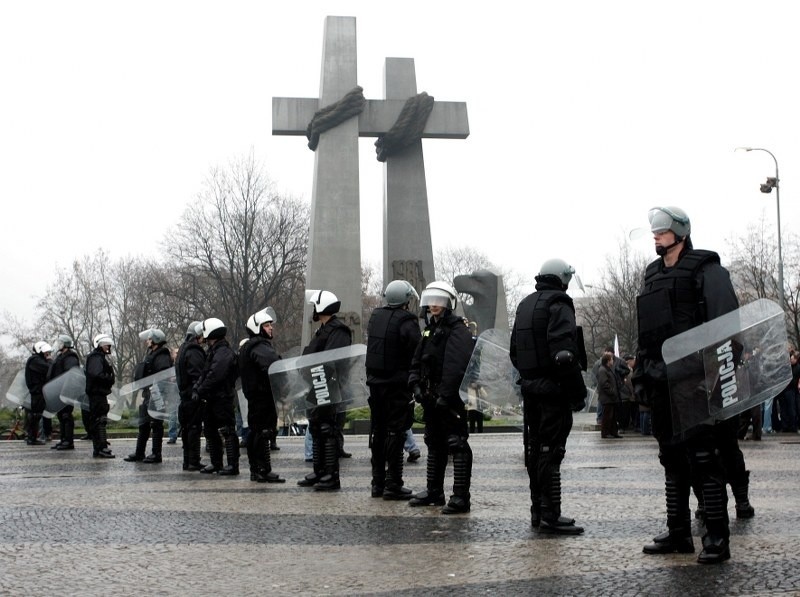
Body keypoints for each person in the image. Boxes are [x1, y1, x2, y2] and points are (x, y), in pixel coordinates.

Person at [632, 206, 737, 564]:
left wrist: (718, 376)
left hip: (697, 382)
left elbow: (728, 327)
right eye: (654, 230)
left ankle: (716, 538)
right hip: (663, 382)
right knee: (671, 459)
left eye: (662, 229)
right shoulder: (651, 275)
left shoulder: (707, 271)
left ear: (681, 232)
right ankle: (678, 532)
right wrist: (641, 372)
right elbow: (648, 330)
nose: (656, 235)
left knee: (706, 460)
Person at [510, 259, 587, 535]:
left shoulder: (525, 305)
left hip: (531, 390)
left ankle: (537, 510)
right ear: (562, 279)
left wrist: (531, 379)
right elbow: (564, 354)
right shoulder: (560, 303)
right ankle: (551, 515)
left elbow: (515, 353)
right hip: (553, 391)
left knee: (535, 451)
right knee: (551, 452)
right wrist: (578, 394)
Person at [408, 281, 475, 514]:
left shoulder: (457, 329)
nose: (434, 305)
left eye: (439, 301)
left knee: (457, 444)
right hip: (430, 397)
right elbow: (417, 360)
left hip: (449, 398)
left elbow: (455, 366)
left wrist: (446, 395)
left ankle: (460, 497)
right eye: (431, 301)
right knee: (433, 443)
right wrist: (415, 384)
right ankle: (434, 492)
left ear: (448, 303)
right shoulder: (429, 329)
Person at [365, 280, 421, 500]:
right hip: (397, 385)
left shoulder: (376, 317)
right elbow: (415, 351)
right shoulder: (407, 321)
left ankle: (377, 483)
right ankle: (393, 484)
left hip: (376, 385)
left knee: (378, 433)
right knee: (396, 433)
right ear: (406, 300)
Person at [298, 290, 352, 491]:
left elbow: (332, 360)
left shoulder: (339, 330)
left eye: (315, 306)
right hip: (316, 384)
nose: (313, 309)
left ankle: (331, 475)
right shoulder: (323, 329)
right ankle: (319, 471)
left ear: (322, 307)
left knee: (327, 430)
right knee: (315, 427)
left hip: (329, 386)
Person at [239, 307, 286, 484]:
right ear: (257, 327)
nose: (270, 328)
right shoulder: (260, 347)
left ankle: (258, 470)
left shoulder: (248, 347)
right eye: (266, 325)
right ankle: (262, 470)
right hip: (263, 396)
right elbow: (274, 367)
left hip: (255, 396)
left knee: (256, 432)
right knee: (262, 433)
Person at [194, 318, 240, 475]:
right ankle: (216, 463)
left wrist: (200, 390)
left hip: (222, 397)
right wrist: (197, 388)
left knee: (227, 430)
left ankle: (233, 465)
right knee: (210, 430)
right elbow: (206, 373)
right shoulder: (214, 351)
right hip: (212, 398)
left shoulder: (223, 352)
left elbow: (215, 375)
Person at [124, 329, 173, 464]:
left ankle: (156, 454)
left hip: (156, 394)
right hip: (148, 393)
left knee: (156, 424)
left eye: (149, 339)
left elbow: (163, 376)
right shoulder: (152, 353)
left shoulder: (162, 355)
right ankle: (140, 452)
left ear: (155, 340)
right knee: (143, 424)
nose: (147, 341)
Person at [176, 321, 206, 471]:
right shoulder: (194, 351)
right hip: (192, 396)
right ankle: (193, 461)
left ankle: (188, 461)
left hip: (184, 396)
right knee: (194, 429)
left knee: (187, 429)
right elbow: (198, 374)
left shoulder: (183, 349)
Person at [85, 333, 116, 458]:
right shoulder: (96, 357)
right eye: (106, 345)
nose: (108, 347)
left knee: (99, 420)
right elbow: (96, 374)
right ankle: (101, 448)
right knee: (100, 421)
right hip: (97, 393)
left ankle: (100, 447)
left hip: (98, 393)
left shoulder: (98, 357)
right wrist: (109, 378)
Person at [47, 335, 81, 450]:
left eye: (60, 342)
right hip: (58, 391)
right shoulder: (61, 356)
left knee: (66, 416)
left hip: (66, 392)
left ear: (65, 344)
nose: (58, 344)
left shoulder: (70, 357)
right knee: (61, 416)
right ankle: (63, 439)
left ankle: (68, 441)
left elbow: (70, 375)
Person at [24, 341, 53, 445]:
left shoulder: (37, 360)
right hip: (37, 391)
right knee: (36, 415)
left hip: (39, 391)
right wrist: (50, 361)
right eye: (46, 352)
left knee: (36, 415)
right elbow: (49, 369)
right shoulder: (35, 360)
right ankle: (32, 438)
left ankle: (32, 437)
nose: (48, 354)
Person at [596, 352, 621, 439]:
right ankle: (605, 433)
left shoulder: (607, 369)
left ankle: (613, 432)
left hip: (611, 398)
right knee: (607, 416)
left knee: (613, 417)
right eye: (611, 359)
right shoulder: (603, 370)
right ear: (608, 361)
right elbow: (604, 384)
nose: (613, 361)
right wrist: (612, 391)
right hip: (607, 398)